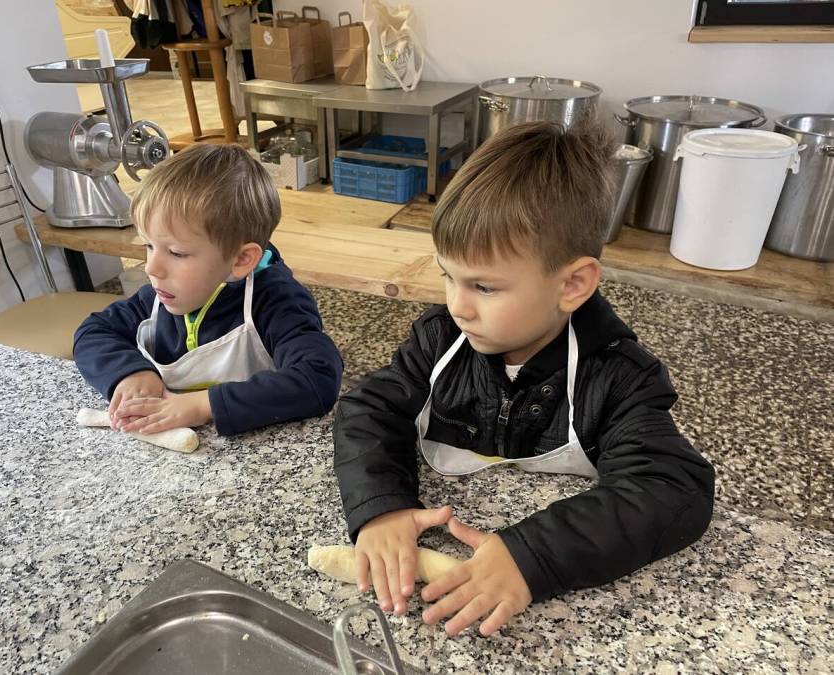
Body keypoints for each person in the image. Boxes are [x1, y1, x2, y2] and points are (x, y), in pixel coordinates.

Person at [333, 121, 715, 637]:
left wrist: (533, 555)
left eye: (485, 287)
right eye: (449, 276)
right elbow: (369, 410)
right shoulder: (439, 340)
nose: (457, 305)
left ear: (572, 284)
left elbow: (671, 487)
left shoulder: (616, 377)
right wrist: (381, 507)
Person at [74, 143, 342, 437]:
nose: (152, 268)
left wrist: (203, 405)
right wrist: (131, 372)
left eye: (177, 253)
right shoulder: (159, 298)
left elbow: (318, 378)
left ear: (241, 260)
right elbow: (93, 331)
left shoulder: (276, 303)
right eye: (149, 246)